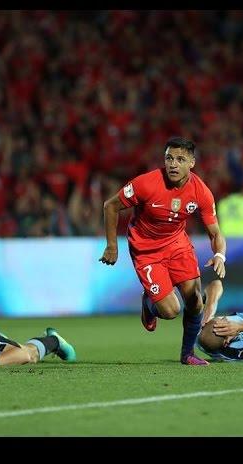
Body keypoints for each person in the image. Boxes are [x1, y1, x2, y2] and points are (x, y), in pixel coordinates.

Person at [99, 137, 227, 366]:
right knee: (170, 311)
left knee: (195, 300)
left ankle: (187, 354)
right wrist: (111, 246)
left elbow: (215, 233)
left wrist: (219, 255)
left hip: (177, 244)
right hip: (146, 249)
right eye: (169, 158)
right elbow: (111, 206)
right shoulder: (146, 183)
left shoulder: (201, 192)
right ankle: (148, 303)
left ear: (192, 163)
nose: (173, 164)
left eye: (180, 159)